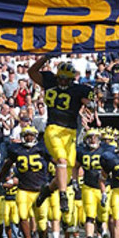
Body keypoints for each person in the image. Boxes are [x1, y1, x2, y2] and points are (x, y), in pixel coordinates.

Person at [29, 57, 93, 214]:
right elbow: (32, 72)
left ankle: (48, 189)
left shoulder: (79, 89)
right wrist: (45, 57)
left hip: (70, 131)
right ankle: (63, 196)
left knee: (66, 176)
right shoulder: (50, 81)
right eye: (61, 78)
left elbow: (89, 101)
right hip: (53, 128)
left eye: (66, 79)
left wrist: (91, 106)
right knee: (62, 161)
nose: (63, 82)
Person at [0, 126, 50, 238]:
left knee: (42, 221)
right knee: (23, 216)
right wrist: (0, 179)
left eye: (31, 135)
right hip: (23, 189)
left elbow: (55, 162)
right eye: (26, 135)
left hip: (40, 190)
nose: (29, 137)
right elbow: (7, 164)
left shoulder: (42, 149)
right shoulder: (16, 150)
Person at [73, 129, 110, 238]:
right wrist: (75, 180)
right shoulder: (82, 151)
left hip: (104, 186)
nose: (93, 140)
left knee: (103, 213)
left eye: (95, 137)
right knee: (89, 215)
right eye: (90, 137)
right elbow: (76, 166)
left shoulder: (106, 150)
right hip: (88, 186)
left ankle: (103, 231)